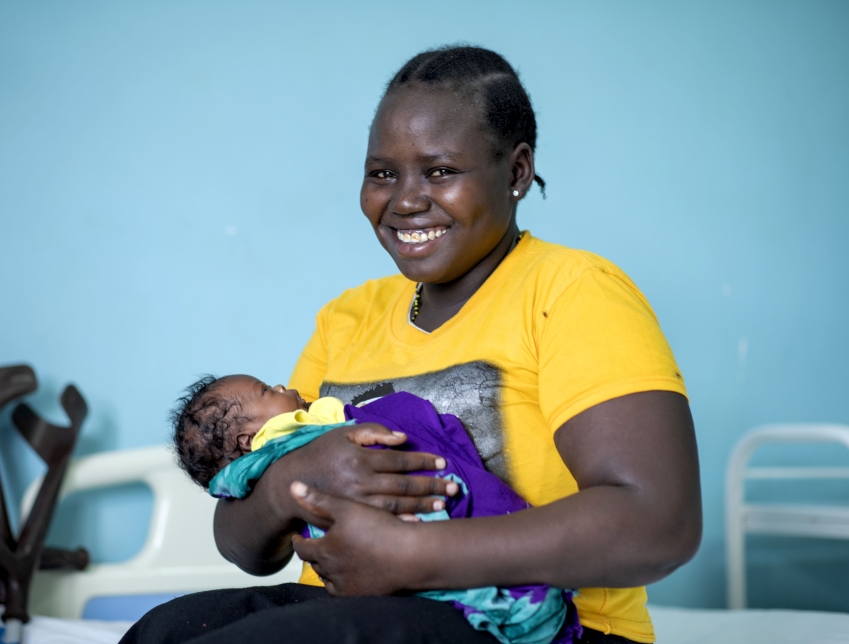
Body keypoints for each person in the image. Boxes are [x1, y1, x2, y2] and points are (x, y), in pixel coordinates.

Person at [121, 45, 701, 644]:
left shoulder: (572, 293)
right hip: (355, 609)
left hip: (526, 624)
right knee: (164, 632)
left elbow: (658, 523)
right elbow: (246, 545)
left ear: (517, 171)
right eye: (382, 173)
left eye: (441, 171)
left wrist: (413, 553)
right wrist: (294, 474)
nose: (405, 200)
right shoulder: (346, 318)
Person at [170, 374, 580, 643]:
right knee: (168, 627)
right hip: (342, 586)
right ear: (247, 442)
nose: (281, 385)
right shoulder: (336, 326)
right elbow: (235, 533)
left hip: (445, 562)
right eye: (266, 390)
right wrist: (289, 478)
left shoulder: (568, 285)